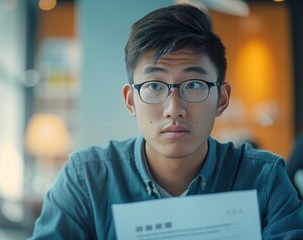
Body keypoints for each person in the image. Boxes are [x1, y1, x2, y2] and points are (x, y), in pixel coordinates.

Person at [30, 4, 303, 239]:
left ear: (221, 98)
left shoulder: (263, 180)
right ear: (130, 101)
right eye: (154, 86)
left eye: (194, 84)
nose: (174, 109)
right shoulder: (86, 180)